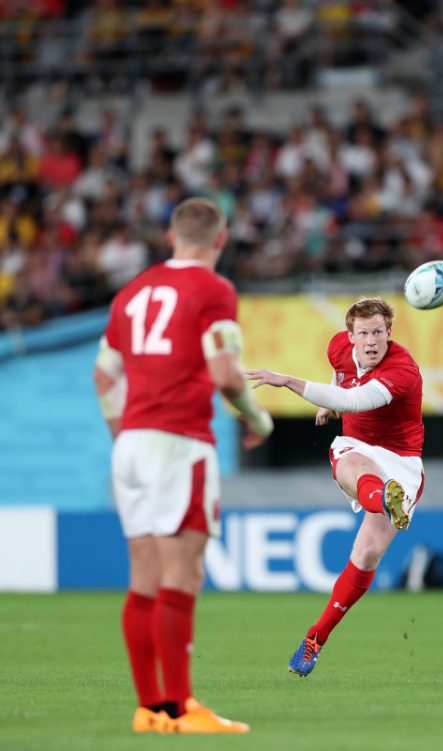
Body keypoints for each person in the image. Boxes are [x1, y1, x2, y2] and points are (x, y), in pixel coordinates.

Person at [93, 198, 274, 734]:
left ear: (171, 237)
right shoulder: (214, 291)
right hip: (178, 443)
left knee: (144, 577)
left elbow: (104, 377)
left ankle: (150, 708)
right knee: (182, 573)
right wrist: (259, 420)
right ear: (221, 241)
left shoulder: (131, 293)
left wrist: (126, 435)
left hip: (131, 444)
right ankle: (180, 706)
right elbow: (225, 373)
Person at [243, 297, 424, 677]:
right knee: (352, 464)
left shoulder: (403, 370)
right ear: (350, 335)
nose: (371, 341)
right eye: (364, 334)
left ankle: (316, 635)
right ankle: (383, 500)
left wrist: (289, 381)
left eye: (378, 332)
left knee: (368, 555)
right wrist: (328, 403)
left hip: (400, 461)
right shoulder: (337, 348)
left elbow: (353, 399)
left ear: (390, 333)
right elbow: (341, 380)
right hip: (357, 447)